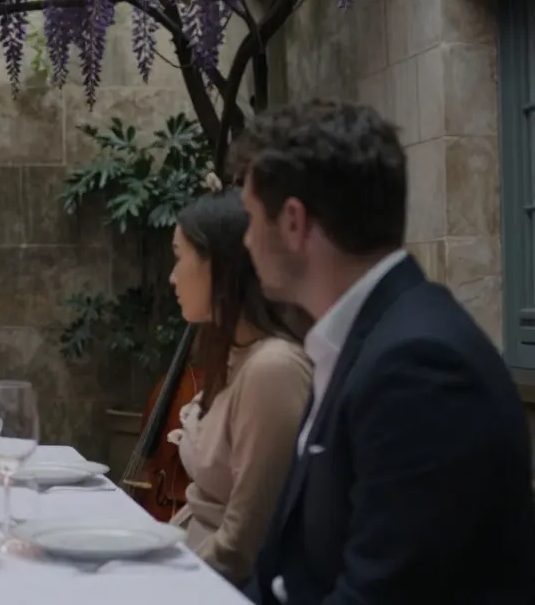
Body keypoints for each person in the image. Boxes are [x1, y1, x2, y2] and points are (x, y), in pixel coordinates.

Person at [234, 100, 535, 605]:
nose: (244, 240)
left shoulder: (419, 367)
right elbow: (286, 574)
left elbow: (377, 596)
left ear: (293, 221)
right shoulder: (361, 338)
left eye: (249, 217)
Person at [165, 188, 313, 587]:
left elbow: (243, 544)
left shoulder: (272, 370)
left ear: (219, 264)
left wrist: (161, 584)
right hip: (190, 559)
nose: (172, 276)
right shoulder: (233, 355)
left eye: (180, 258)